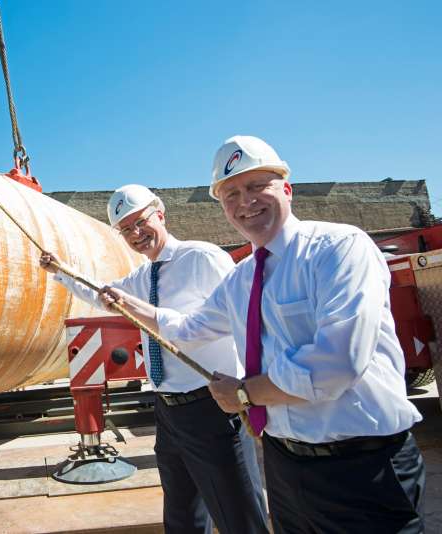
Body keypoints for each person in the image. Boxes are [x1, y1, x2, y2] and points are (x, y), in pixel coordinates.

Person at [100, 136, 426, 533]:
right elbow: (187, 328)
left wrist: (245, 393)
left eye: (257, 186)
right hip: (285, 463)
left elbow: (337, 364)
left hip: (362, 469)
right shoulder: (242, 279)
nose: (245, 202)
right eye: (231, 193)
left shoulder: (338, 249)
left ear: (286, 188)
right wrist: (123, 303)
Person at [40, 184, 269, 534]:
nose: (135, 233)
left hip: (212, 408)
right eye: (126, 229)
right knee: (182, 517)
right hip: (168, 411)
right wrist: (60, 272)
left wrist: (255, 389)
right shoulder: (142, 277)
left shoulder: (201, 258)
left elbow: (243, 320)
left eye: (140, 222)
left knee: (238, 516)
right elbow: (102, 294)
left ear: (159, 214)